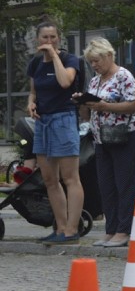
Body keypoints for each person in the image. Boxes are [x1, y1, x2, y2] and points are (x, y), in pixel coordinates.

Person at [78, 38, 135, 248]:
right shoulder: (95, 80)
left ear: (109, 55)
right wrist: (83, 102)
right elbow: (89, 113)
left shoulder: (123, 76)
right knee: (106, 185)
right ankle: (111, 229)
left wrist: (105, 106)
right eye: (91, 62)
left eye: (97, 60)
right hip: (101, 138)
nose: (94, 66)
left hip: (125, 135)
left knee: (124, 184)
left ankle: (124, 230)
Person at [26, 21, 84, 245]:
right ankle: (59, 227)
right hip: (43, 121)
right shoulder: (34, 64)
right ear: (37, 40)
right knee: (50, 178)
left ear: (59, 39)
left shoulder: (70, 60)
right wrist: (31, 103)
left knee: (70, 177)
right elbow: (34, 92)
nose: (49, 42)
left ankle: (71, 229)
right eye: (44, 38)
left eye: (53, 37)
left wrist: (54, 56)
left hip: (64, 119)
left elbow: (64, 81)